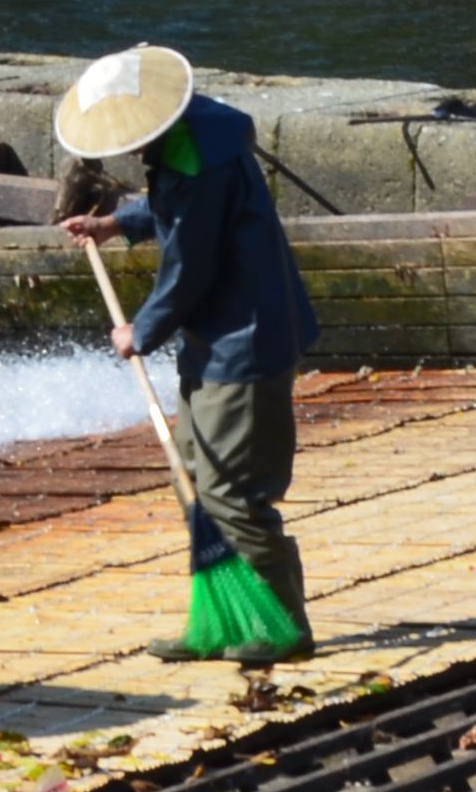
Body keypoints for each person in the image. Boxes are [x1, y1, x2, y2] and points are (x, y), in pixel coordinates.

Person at [52, 43, 320, 664]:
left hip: (244, 341)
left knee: (229, 490)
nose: (130, 148)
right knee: (195, 480)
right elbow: (173, 210)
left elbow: (189, 267)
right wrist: (116, 223)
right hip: (215, 338)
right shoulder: (194, 139)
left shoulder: (200, 161)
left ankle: (280, 625)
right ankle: (223, 619)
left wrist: (139, 331)